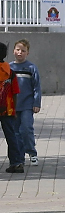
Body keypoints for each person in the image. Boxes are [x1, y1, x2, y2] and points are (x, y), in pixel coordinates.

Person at [10, 39, 39, 166]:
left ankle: (32, 152)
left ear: (27, 53)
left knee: (26, 129)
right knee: (15, 132)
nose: (20, 52)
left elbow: (37, 87)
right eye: (18, 50)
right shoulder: (9, 68)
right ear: (13, 51)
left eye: (23, 51)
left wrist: (36, 103)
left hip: (27, 104)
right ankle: (19, 157)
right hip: (13, 105)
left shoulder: (31, 68)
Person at [0, 42, 23, 174]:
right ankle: (16, 163)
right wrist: (14, 109)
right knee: (11, 136)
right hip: (7, 109)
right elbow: (15, 92)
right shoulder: (10, 72)